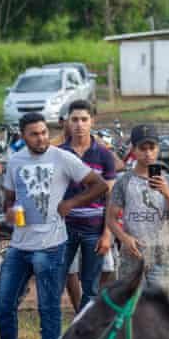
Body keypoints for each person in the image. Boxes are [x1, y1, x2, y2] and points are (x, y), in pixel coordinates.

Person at [0, 112, 108, 339]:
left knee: (49, 307)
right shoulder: (15, 161)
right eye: (34, 134)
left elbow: (99, 185)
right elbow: (9, 198)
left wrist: (71, 204)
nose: (41, 138)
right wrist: (11, 212)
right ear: (23, 136)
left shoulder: (62, 158)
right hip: (19, 245)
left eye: (43, 132)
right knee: (4, 303)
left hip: (51, 245)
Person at [107, 125, 169, 295]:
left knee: (162, 312)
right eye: (142, 148)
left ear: (158, 149)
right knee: (131, 309)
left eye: (152, 148)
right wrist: (124, 238)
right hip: (131, 256)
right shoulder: (124, 181)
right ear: (133, 150)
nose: (148, 153)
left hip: (162, 255)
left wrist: (167, 193)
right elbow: (111, 219)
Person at [58, 100, 116, 311]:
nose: (79, 124)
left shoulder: (104, 155)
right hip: (64, 230)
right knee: (56, 280)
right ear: (67, 122)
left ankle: (84, 328)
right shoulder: (58, 154)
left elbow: (111, 197)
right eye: (74, 120)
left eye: (84, 119)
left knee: (91, 287)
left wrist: (107, 235)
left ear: (92, 121)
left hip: (94, 229)